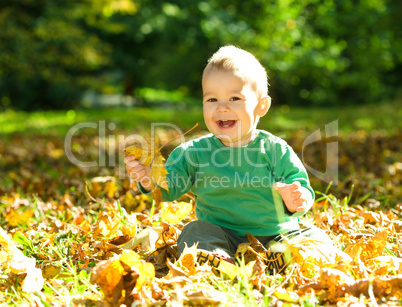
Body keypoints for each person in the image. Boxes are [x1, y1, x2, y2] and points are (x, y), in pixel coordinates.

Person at [124, 46, 332, 273]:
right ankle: (217, 260)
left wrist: (297, 198)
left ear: (261, 106)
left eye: (234, 98)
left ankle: (287, 258)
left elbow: (299, 184)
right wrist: (148, 179)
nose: (222, 108)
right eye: (212, 99)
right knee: (194, 232)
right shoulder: (193, 153)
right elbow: (169, 189)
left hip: (277, 233)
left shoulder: (275, 150)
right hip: (222, 234)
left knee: (313, 236)